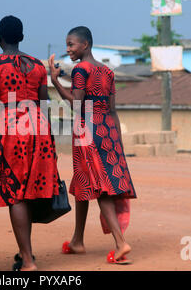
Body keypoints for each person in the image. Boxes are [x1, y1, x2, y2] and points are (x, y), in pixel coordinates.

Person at [48, 26, 137, 264]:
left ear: (84, 45)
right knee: (84, 182)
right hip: (107, 130)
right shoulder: (107, 71)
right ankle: (77, 240)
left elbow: (77, 105)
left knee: (100, 186)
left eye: (71, 44)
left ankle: (120, 243)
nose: (68, 50)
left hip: (88, 131)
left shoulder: (80, 69)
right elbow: (113, 109)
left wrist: (56, 82)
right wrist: (117, 140)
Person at [0, 15, 60, 271]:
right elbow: (45, 105)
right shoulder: (37, 65)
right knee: (31, 191)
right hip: (40, 130)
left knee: (16, 195)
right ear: (22, 37)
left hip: (11, 130)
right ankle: (26, 253)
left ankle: (27, 261)